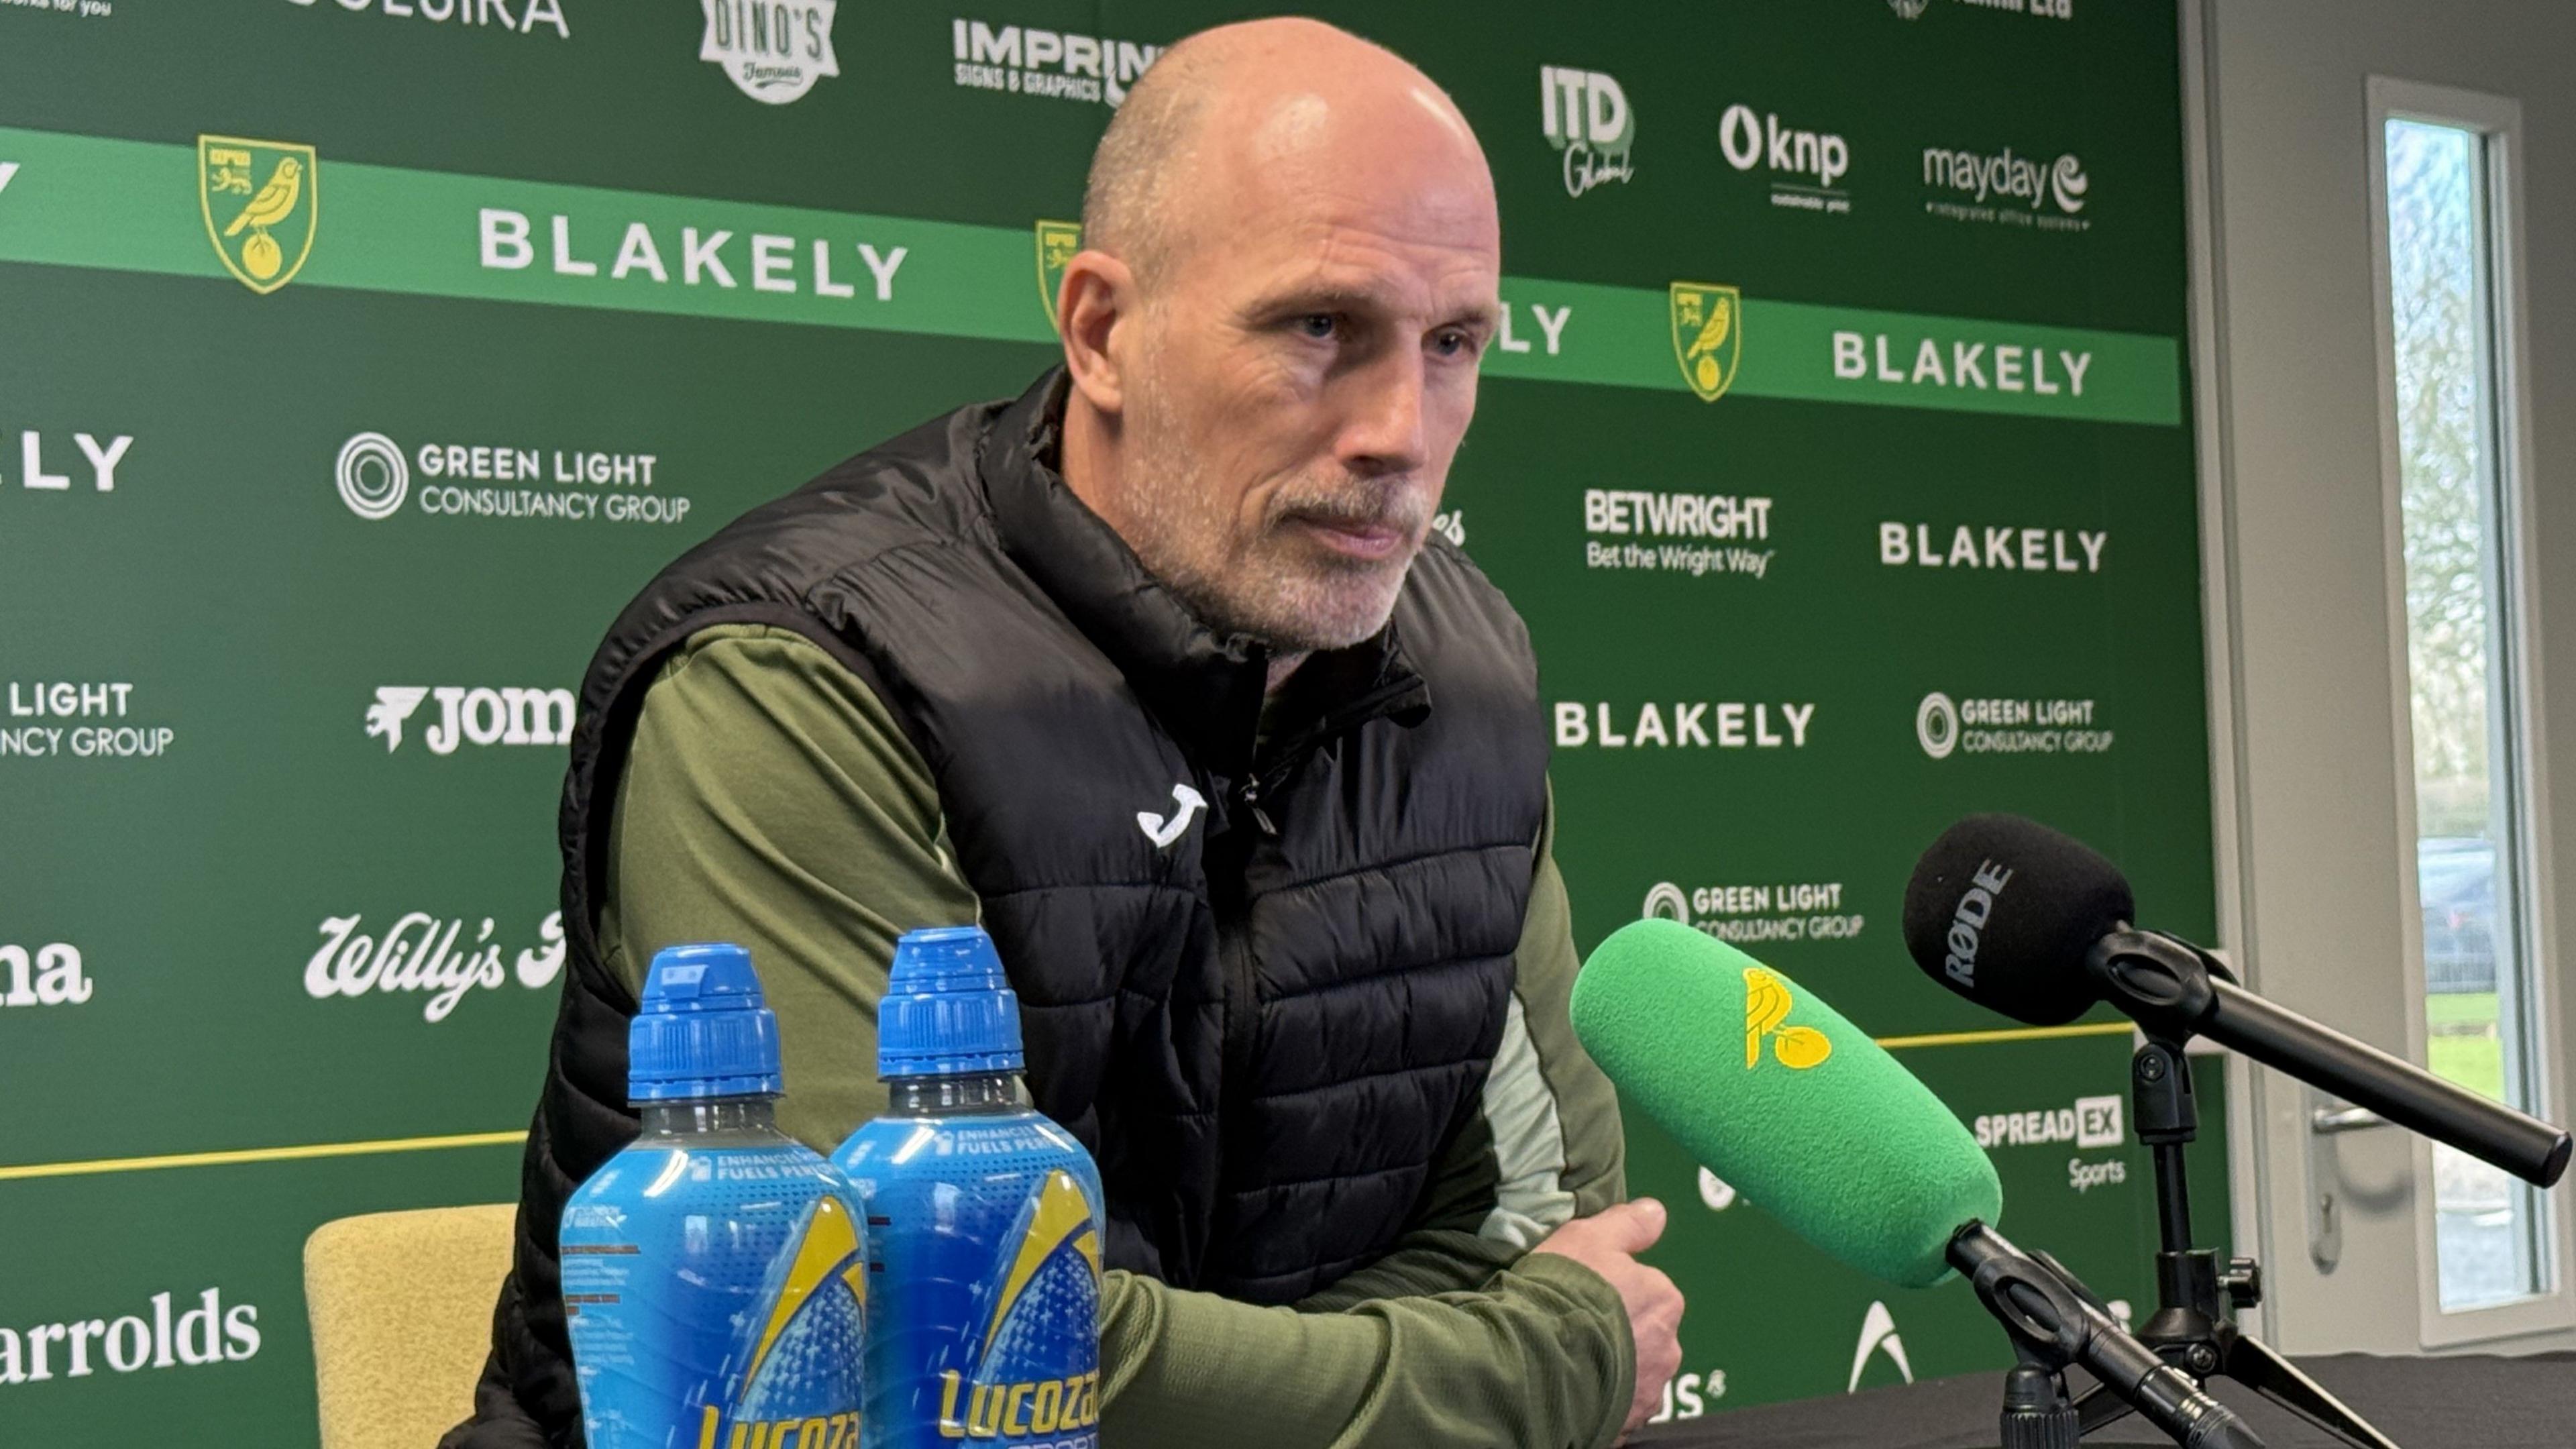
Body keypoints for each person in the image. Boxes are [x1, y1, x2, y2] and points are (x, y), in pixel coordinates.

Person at [446, 17, 1683, 1449]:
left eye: (1453, 343)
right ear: (1102, 332)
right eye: (1319, 329)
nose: (1401, 430)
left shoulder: (1464, 674)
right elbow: (927, 1357)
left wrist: (1242, 1380)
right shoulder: (799, 679)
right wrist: (1526, 1373)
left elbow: (1543, 1227)